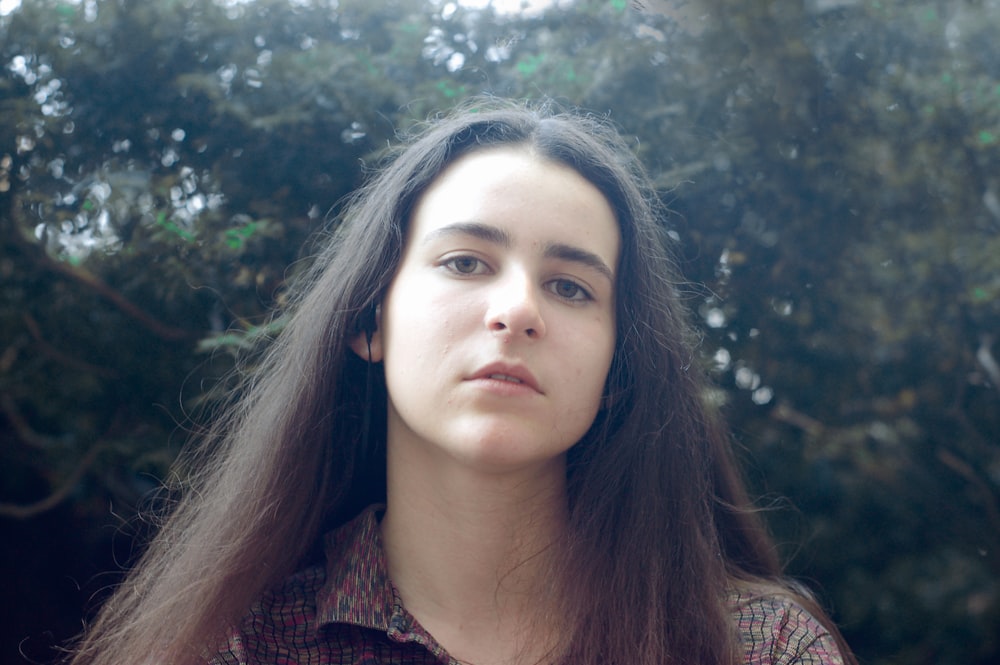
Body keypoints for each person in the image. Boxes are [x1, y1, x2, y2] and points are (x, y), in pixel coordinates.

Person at [68, 98, 855, 665]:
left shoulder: (757, 648)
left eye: (572, 286)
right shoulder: (238, 644)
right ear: (368, 320)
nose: (516, 309)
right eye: (465, 262)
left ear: (620, 371)